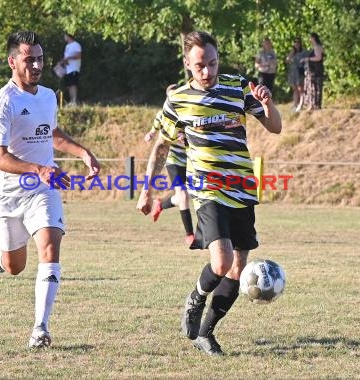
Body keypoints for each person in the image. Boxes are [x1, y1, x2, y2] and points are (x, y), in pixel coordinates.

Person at [136, 31, 282, 356]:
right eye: (200, 65)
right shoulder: (178, 100)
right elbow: (161, 148)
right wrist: (146, 192)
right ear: (187, 64)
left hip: (241, 186)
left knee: (238, 268)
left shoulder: (237, 87)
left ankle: (207, 333)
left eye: (213, 63)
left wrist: (268, 105)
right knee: (222, 261)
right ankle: (195, 299)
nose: (207, 72)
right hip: (207, 187)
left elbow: (275, 127)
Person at [0, 30, 100, 349]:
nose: (36, 64)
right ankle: (1, 254)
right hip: (9, 195)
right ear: (12, 62)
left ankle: (40, 328)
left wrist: (82, 152)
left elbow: (50, 132)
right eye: (28, 59)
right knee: (14, 267)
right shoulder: (2, 102)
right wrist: (38, 169)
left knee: (50, 246)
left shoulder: (49, 96)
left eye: (39, 58)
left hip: (43, 190)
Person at [144, 84, 194, 246]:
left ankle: (161, 204)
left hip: (190, 161)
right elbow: (155, 128)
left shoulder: (190, 113)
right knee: (184, 195)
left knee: (183, 197)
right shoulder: (162, 114)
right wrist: (151, 134)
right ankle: (190, 235)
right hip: (174, 162)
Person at [301, 32, 325, 110]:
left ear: (313, 38)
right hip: (313, 70)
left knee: (316, 87)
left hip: (317, 70)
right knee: (313, 87)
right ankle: (313, 104)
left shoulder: (317, 47)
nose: (310, 40)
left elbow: (318, 58)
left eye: (310, 38)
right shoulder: (315, 47)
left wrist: (308, 59)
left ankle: (316, 104)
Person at [285, 37, 307, 112]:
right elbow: (287, 60)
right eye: (295, 42)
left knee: (301, 89)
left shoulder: (303, 52)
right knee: (295, 89)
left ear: (300, 43)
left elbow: (306, 62)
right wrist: (292, 52)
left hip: (300, 72)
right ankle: (295, 105)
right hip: (293, 73)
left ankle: (301, 104)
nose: (297, 44)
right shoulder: (292, 52)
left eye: (298, 42)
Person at [62, 33, 82, 106]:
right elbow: (66, 57)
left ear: (68, 36)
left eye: (65, 35)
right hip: (68, 69)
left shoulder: (76, 45)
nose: (64, 37)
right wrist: (64, 62)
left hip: (74, 68)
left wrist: (68, 58)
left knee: (73, 84)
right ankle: (72, 101)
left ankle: (74, 101)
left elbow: (78, 55)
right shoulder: (67, 46)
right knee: (69, 85)